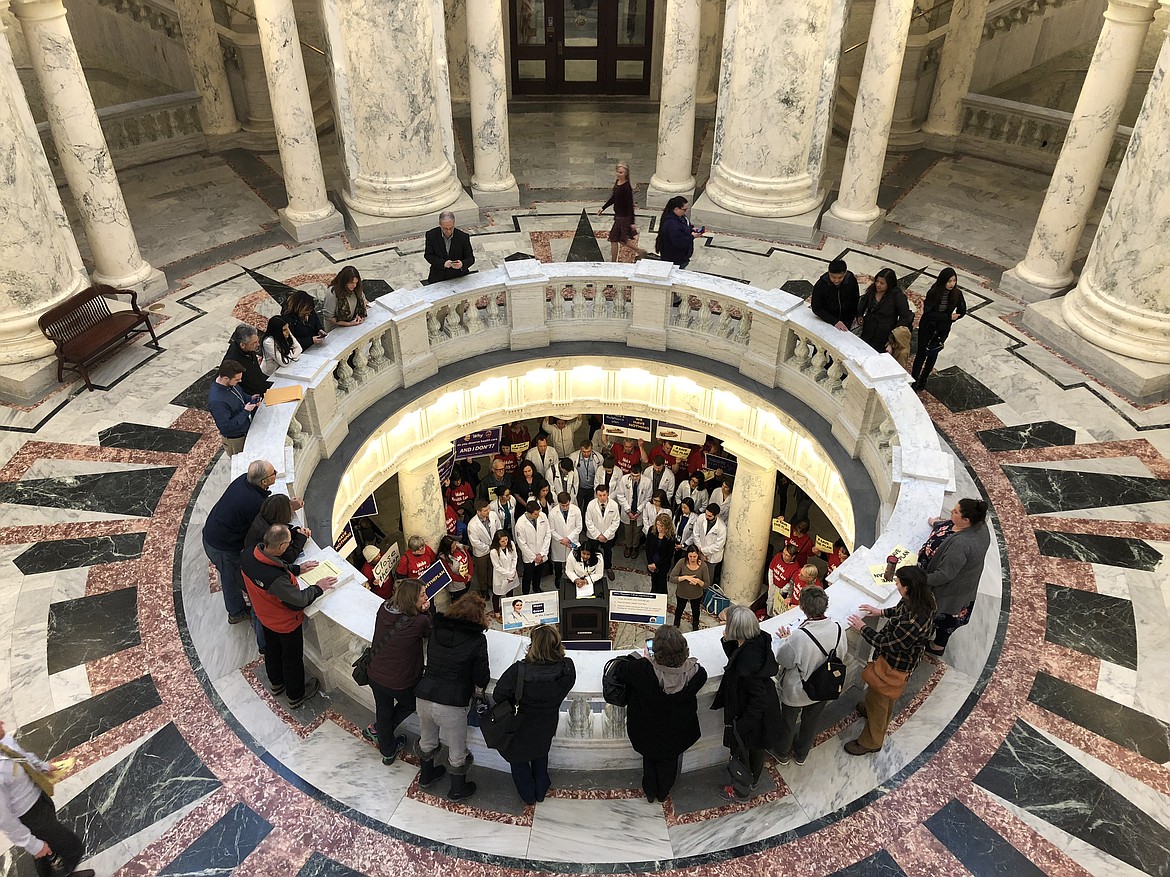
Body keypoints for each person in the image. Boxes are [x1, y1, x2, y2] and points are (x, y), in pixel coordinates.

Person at [241, 524, 337, 708]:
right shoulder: (275, 579)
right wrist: (318, 587)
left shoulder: (249, 553)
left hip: (265, 616)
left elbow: (274, 565)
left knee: (272, 650)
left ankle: (276, 683)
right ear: (281, 546)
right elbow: (298, 600)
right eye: (288, 543)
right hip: (285, 623)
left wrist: (296, 569)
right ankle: (295, 695)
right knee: (292, 659)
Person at [845, 566, 936, 755]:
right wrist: (881, 612)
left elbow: (888, 644)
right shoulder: (922, 600)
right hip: (897, 662)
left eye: (898, 583)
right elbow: (900, 609)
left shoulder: (913, 622)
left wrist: (863, 628)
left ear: (907, 587)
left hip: (895, 665)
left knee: (881, 698)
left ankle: (871, 741)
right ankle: (871, 709)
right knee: (883, 695)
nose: (896, 585)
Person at [412, 592, 491, 800]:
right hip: (452, 704)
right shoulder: (477, 640)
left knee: (427, 740)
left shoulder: (437, 629)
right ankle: (457, 790)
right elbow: (482, 678)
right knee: (457, 750)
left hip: (424, 695)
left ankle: (426, 777)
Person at [617, 625, 707, 803]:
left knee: (649, 760)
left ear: (656, 651)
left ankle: (650, 792)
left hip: (647, 731)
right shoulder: (697, 672)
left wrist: (645, 659)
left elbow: (620, 670)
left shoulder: (642, 670)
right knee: (670, 762)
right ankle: (663, 793)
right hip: (677, 733)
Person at [0, 718, 95, 877]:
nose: (2, 722)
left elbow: (23, 757)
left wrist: (42, 766)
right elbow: (4, 819)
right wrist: (32, 845)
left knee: (47, 850)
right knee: (72, 848)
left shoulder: (4, 741)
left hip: (39, 798)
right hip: (30, 816)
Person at [493, 625, 576, 804]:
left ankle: (528, 795)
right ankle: (540, 790)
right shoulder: (567, 668)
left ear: (533, 645)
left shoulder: (519, 671)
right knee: (540, 752)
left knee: (518, 760)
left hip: (520, 725)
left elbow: (498, 695)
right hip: (547, 723)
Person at [203, 460, 287, 627]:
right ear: (263, 482)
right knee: (230, 577)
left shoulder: (244, 480)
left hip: (213, 532)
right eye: (273, 472)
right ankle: (236, 613)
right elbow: (265, 527)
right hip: (221, 546)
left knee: (231, 574)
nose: (276, 472)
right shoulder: (253, 502)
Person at [712, 606, 782, 801]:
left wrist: (742, 726)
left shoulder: (748, 664)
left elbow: (756, 698)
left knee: (743, 751)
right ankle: (753, 780)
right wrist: (727, 639)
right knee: (757, 749)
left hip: (752, 716)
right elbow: (736, 654)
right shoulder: (759, 639)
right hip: (764, 712)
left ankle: (740, 789)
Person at [363, 579, 431, 764]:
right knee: (410, 705)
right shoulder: (419, 621)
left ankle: (387, 750)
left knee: (383, 711)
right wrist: (426, 611)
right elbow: (430, 632)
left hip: (375, 673)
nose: (426, 596)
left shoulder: (384, 608)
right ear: (411, 600)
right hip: (400, 682)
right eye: (423, 595)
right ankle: (382, 732)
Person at [774, 586, 841, 765]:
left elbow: (784, 660)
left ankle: (782, 753)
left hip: (798, 690)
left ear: (802, 607)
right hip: (824, 687)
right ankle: (802, 753)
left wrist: (785, 640)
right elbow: (841, 654)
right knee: (811, 722)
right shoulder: (837, 628)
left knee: (788, 723)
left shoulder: (799, 637)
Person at [921, 498, 990, 655]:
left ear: (966, 520)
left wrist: (919, 579)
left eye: (956, 512)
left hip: (950, 592)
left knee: (943, 620)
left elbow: (944, 575)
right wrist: (937, 524)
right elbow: (950, 526)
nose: (951, 512)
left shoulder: (961, 545)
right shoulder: (978, 525)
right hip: (960, 584)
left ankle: (938, 646)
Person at [911, 267, 967, 392]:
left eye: (954, 281)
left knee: (933, 354)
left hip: (942, 329)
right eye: (949, 281)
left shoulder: (957, 294)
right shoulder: (933, 292)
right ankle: (913, 381)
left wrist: (954, 318)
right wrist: (948, 317)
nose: (952, 284)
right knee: (921, 354)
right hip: (928, 327)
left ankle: (923, 381)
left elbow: (962, 310)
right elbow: (929, 313)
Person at [208, 359, 259, 456]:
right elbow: (226, 428)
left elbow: (240, 397)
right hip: (236, 440)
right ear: (226, 378)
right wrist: (246, 411)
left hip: (245, 429)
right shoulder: (217, 402)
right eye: (237, 379)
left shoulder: (231, 384)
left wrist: (250, 398)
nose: (240, 381)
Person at [857, 267, 912, 354]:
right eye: (877, 281)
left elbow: (905, 316)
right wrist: (860, 314)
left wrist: (893, 337)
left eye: (882, 283)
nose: (878, 285)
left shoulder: (897, 296)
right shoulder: (872, 290)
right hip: (868, 329)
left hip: (884, 334)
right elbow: (864, 301)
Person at [597, 161, 642, 262]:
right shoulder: (617, 183)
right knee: (621, 240)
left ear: (626, 173)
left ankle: (614, 262)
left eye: (621, 172)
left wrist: (632, 222)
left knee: (614, 239)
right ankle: (639, 251)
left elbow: (630, 206)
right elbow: (614, 197)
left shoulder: (626, 187)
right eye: (617, 172)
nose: (618, 174)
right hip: (618, 216)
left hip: (623, 218)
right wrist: (603, 208)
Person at [245, 493, 309, 564]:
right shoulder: (272, 534)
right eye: (289, 506)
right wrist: (302, 537)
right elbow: (289, 556)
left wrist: (296, 532)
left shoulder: (265, 515)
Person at [424, 211, 475, 284]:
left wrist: (462, 264)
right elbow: (428, 255)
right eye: (445, 228)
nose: (448, 231)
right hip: (438, 276)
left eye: (451, 228)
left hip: (458, 277)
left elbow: (470, 258)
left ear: (454, 224)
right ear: (440, 225)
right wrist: (443, 263)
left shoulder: (463, 237)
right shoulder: (431, 235)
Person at [810, 259, 861, 331]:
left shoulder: (851, 281)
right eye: (833, 277)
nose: (836, 280)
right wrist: (834, 321)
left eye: (840, 277)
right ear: (829, 273)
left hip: (846, 320)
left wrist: (851, 318)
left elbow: (855, 299)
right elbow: (816, 308)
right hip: (827, 321)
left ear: (845, 273)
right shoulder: (821, 285)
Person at [224, 323, 271, 397]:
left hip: (263, 388)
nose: (258, 344)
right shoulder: (233, 361)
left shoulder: (249, 349)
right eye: (254, 343)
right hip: (252, 396)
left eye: (257, 341)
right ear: (243, 345)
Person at [585, 484, 621, 581]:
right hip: (594, 536)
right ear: (596, 495)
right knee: (592, 552)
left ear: (608, 494)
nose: (602, 498)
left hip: (608, 536)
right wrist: (597, 535)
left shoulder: (613, 505)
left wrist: (606, 535)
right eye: (600, 495)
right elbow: (588, 522)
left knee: (608, 552)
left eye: (604, 495)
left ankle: (608, 568)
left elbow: (616, 521)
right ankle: (593, 568)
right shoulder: (591, 505)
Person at [669, 544, 710, 630]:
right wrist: (685, 577)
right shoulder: (681, 562)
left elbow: (706, 584)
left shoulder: (703, 566)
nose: (692, 559)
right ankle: (676, 624)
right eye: (690, 556)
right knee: (679, 609)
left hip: (696, 594)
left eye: (694, 556)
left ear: (698, 555)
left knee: (696, 611)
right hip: (682, 593)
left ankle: (695, 625)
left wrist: (698, 581)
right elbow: (672, 578)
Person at [655, 196, 703, 269]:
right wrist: (692, 236)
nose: (685, 211)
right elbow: (678, 242)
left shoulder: (680, 216)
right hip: (674, 257)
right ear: (676, 209)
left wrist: (691, 229)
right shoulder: (671, 224)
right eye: (684, 209)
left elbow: (685, 226)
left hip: (681, 255)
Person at [515, 501, 551, 595]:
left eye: (539, 512)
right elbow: (522, 543)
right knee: (528, 575)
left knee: (538, 573)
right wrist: (533, 556)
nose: (538, 515)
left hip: (541, 552)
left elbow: (547, 534)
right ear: (529, 513)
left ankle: (536, 587)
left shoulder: (542, 516)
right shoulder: (520, 524)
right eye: (536, 514)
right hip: (529, 556)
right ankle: (525, 593)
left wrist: (542, 553)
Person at [548, 491, 582, 584]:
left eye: (567, 505)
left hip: (572, 540)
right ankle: (558, 577)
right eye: (563, 506)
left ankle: (572, 578)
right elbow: (551, 530)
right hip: (559, 542)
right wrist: (562, 540)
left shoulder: (576, 510)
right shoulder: (553, 513)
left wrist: (568, 539)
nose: (565, 507)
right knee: (558, 562)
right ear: (559, 503)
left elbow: (579, 527)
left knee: (572, 560)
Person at [467, 499, 500, 593]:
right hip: (481, 552)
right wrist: (489, 548)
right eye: (485, 510)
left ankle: (491, 585)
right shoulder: (472, 525)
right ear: (478, 512)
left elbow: (498, 527)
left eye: (488, 509)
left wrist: (496, 544)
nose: (488, 511)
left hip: (494, 547)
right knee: (482, 572)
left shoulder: (493, 515)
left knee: (492, 567)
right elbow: (475, 542)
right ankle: (484, 590)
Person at [692, 502, 727, 585]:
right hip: (699, 552)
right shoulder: (701, 518)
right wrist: (700, 550)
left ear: (716, 515)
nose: (706, 517)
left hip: (712, 558)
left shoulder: (721, 528)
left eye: (709, 516)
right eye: (706, 514)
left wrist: (704, 552)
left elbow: (718, 546)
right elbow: (695, 534)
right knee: (697, 574)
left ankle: (706, 594)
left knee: (708, 578)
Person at [617, 463, 646, 558]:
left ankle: (635, 547)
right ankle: (628, 546)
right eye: (632, 475)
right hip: (627, 511)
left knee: (637, 531)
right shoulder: (624, 479)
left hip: (639, 511)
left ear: (641, 473)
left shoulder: (647, 482)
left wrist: (638, 512)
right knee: (628, 530)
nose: (634, 478)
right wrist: (628, 511)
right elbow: (620, 495)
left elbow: (647, 498)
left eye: (637, 476)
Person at [645, 512, 676, 595]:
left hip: (663, 564)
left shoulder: (671, 537)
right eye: (658, 524)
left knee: (662, 582)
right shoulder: (652, 530)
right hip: (652, 562)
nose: (659, 527)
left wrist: (657, 565)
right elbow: (647, 547)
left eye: (661, 526)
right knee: (654, 580)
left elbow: (669, 556)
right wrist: (650, 563)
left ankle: (662, 597)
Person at [766, 543, 800, 617]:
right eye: (783, 553)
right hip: (773, 584)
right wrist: (771, 583)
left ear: (793, 557)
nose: (784, 556)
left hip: (781, 589)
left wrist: (781, 590)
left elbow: (791, 583)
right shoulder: (778, 556)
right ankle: (768, 614)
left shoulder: (796, 567)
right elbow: (771, 569)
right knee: (769, 601)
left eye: (787, 555)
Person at [489, 529, 519, 613]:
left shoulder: (511, 544)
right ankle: (497, 612)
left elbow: (514, 558)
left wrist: (512, 571)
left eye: (506, 539)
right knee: (497, 595)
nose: (505, 542)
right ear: (497, 541)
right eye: (502, 541)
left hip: (512, 573)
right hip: (500, 576)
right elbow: (497, 566)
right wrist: (509, 573)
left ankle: (510, 608)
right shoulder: (494, 551)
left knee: (510, 590)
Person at [438, 534, 473, 602]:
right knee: (458, 603)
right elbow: (450, 575)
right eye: (452, 546)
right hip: (456, 587)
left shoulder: (460, 547)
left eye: (455, 544)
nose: (455, 547)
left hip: (467, 580)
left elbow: (469, 559)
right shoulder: (443, 558)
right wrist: (465, 579)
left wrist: (470, 574)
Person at [569, 441, 599, 509]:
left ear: (592, 449)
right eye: (584, 451)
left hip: (591, 488)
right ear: (580, 449)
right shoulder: (573, 457)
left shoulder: (598, 458)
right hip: (579, 488)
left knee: (589, 507)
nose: (586, 454)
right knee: (577, 506)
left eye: (588, 451)